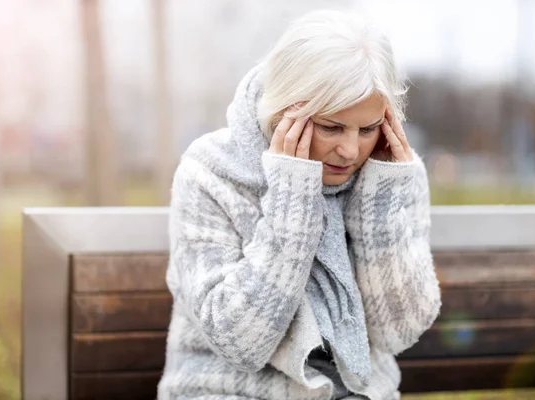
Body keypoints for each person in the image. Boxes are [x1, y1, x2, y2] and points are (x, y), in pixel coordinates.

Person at [157, 9, 441, 400]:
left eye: (368, 128)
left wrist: (379, 207)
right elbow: (238, 341)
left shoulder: (393, 176)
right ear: (284, 108)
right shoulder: (211, 172)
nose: (349, 149)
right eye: (330, 126)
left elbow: (399, 332)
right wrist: (292, 200)